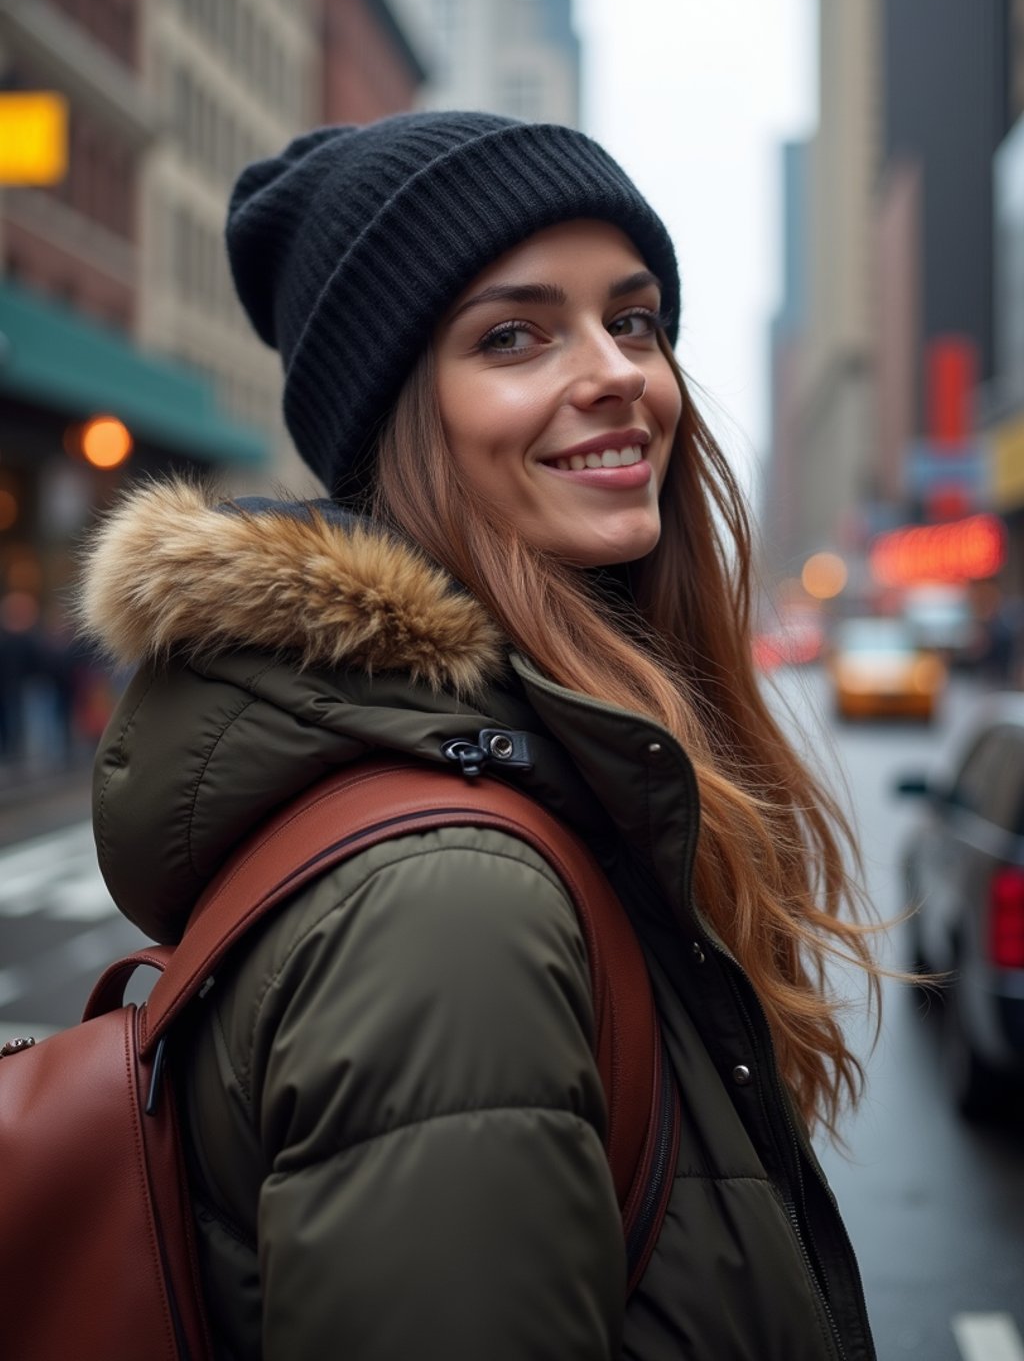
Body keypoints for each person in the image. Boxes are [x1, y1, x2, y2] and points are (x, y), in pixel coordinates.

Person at [80, 112, 880, 1360]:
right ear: (397, 418)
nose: (618, 369)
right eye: (513, 334)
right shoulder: (448, 907)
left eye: (633, 318)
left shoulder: (544, 780)